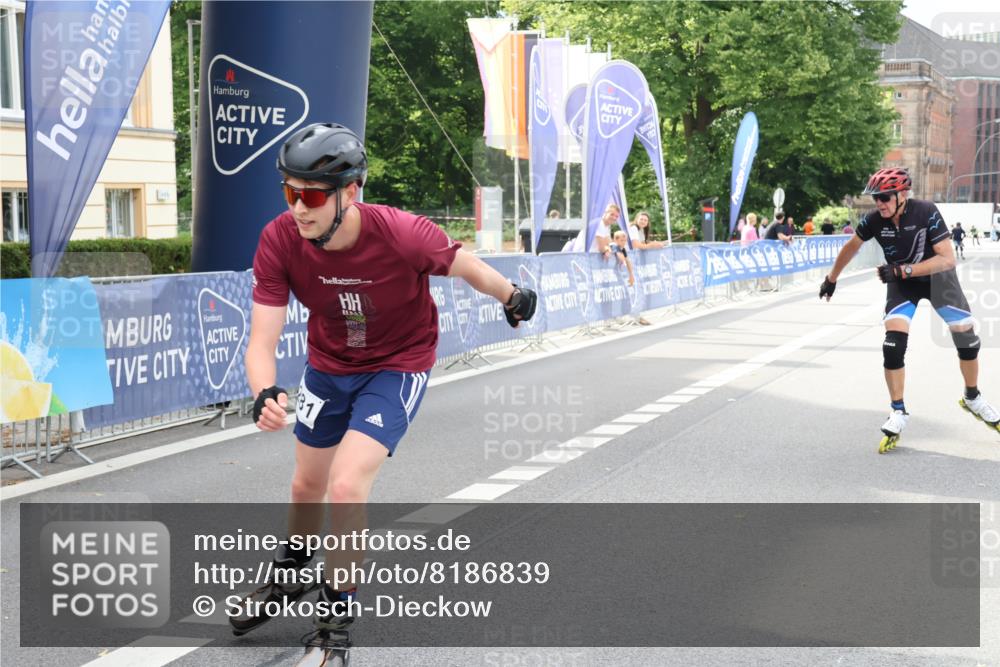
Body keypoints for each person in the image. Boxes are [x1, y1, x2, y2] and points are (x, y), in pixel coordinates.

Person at [233, 122, 538, 638]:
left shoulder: (401, 232)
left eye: (310, 194)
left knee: (347, 485)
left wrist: (512, 296)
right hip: (329, 366)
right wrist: (264, 391)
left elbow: (466, 266)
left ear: (349, 192)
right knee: (306, 483)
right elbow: (261, 340)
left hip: (398, 363)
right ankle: (290, 576)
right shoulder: (280, 239)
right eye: (289, 192)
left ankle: (335, 618)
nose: (298, 208)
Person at [819, 167, 999, 452]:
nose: (879, 203)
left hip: (937, 279)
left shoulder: (925, 211)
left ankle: (973, 397)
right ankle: (898, 411)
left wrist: (903, 269)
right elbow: (852, 247)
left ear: (902, 195)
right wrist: (831, 279)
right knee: (892, 345)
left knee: (967, 339)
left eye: (885, 197)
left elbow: (947, 259)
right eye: (876, 198)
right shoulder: (875, 220)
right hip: (903, 284)